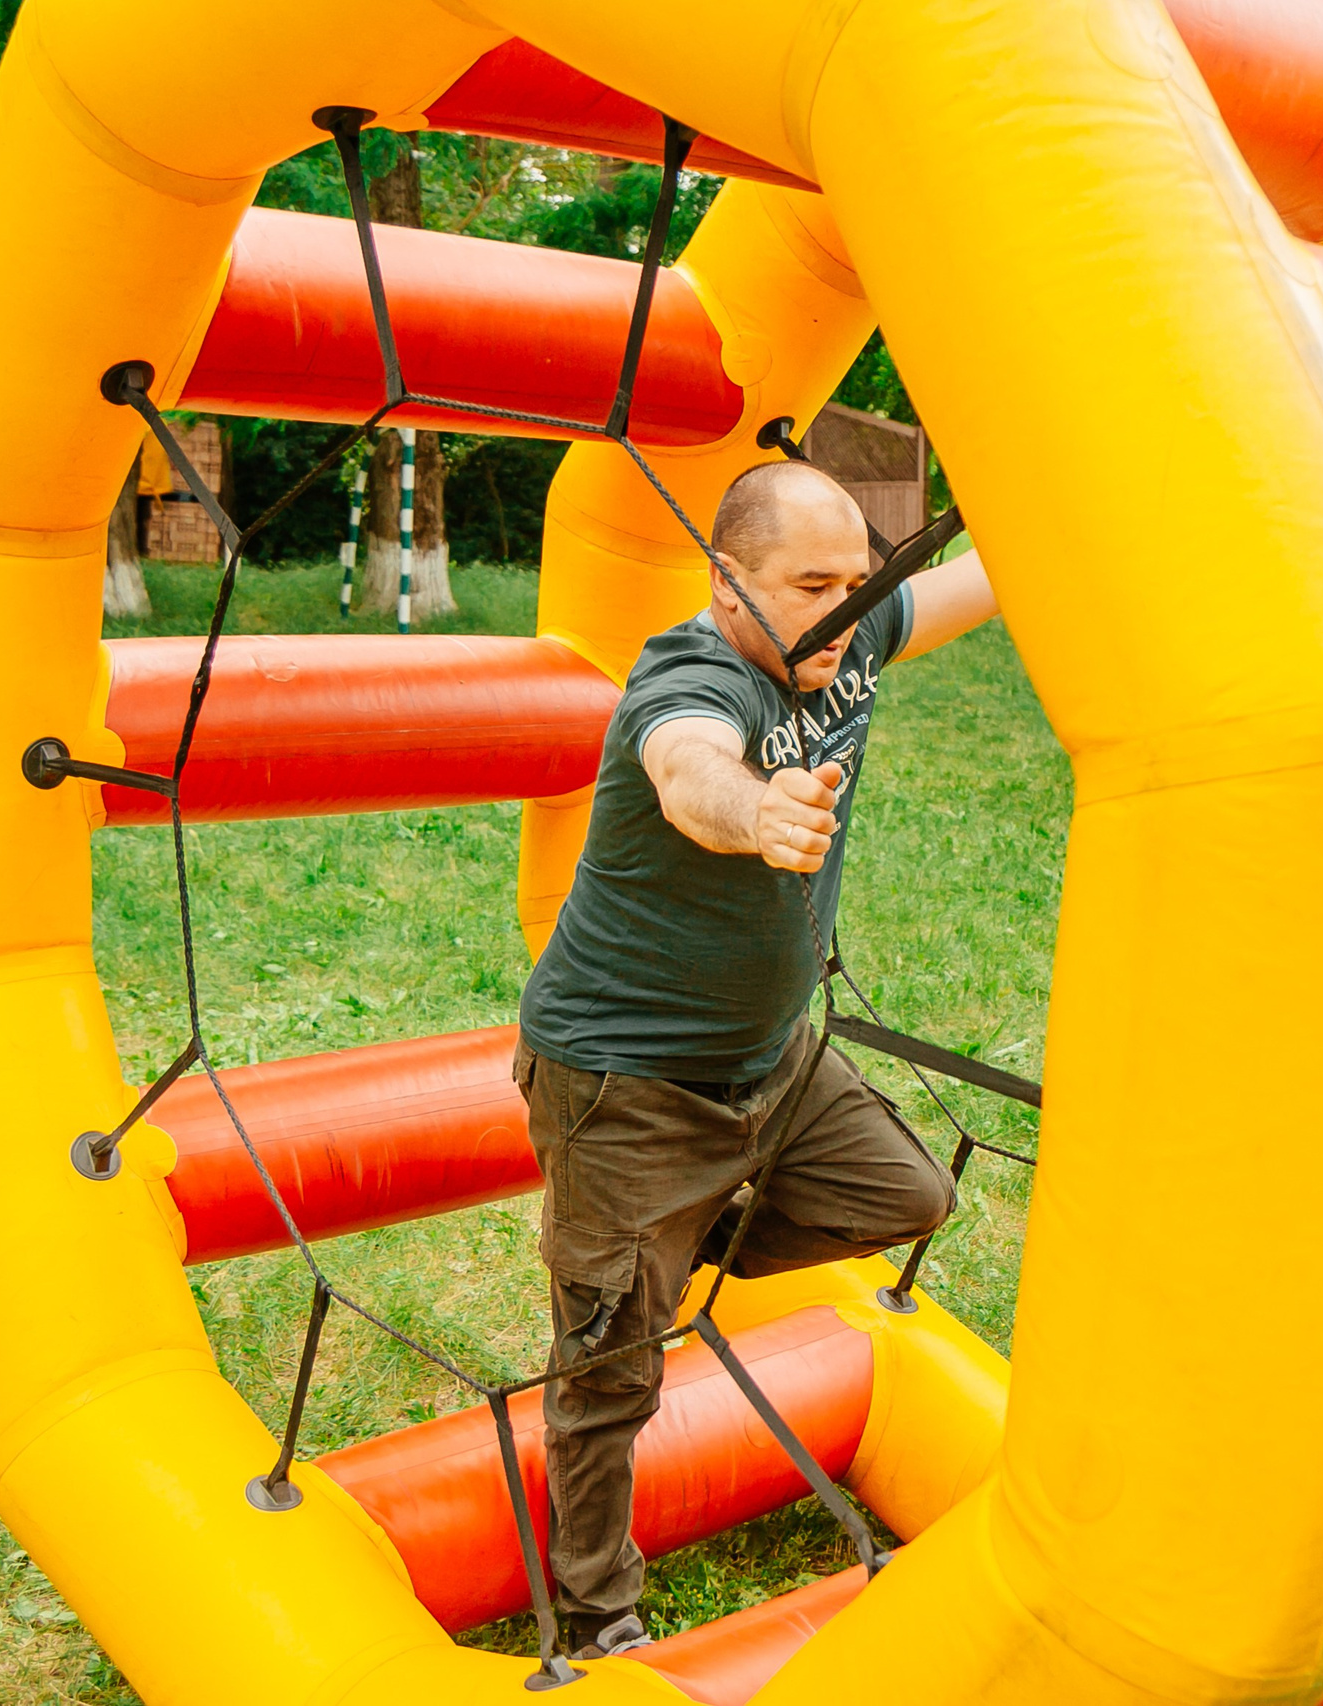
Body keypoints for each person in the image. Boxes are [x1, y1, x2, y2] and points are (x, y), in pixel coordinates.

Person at [513, 460, 999, 1661]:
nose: (841, 607)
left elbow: (990, 578)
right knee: (609, 1371)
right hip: (623, 1083)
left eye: (857, 580)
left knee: (909, 1194)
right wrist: (761, 811)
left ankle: (675, 1241)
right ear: (728, 580)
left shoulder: (854, 624)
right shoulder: (689, 674)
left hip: (772, 1062)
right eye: (809, 584)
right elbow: (688, 769)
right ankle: (595, 1612)